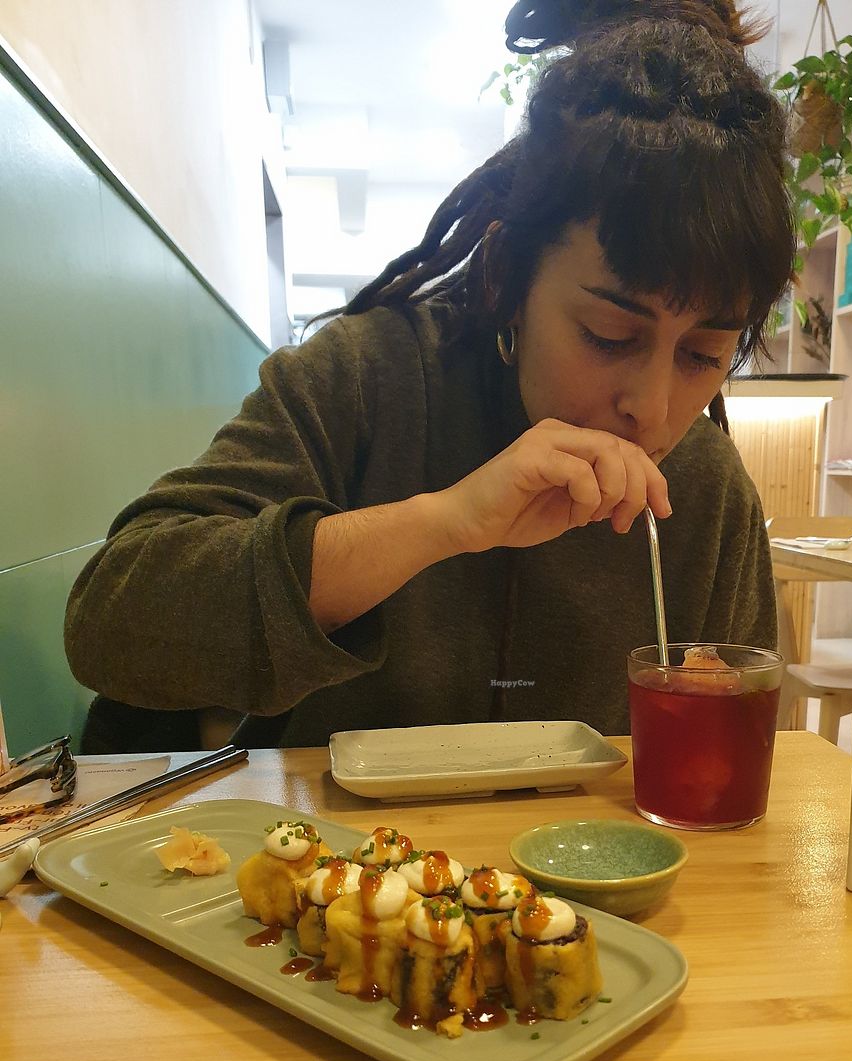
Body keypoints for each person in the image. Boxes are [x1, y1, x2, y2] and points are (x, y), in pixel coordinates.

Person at [65, 0, 794, 751]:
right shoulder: (369, 377)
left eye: (704, 354)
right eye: (609, 335)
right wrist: (443, 522)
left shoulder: (707, 492)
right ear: (507, 276)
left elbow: (727, 770)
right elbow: (112, 624)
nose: (653, 408)